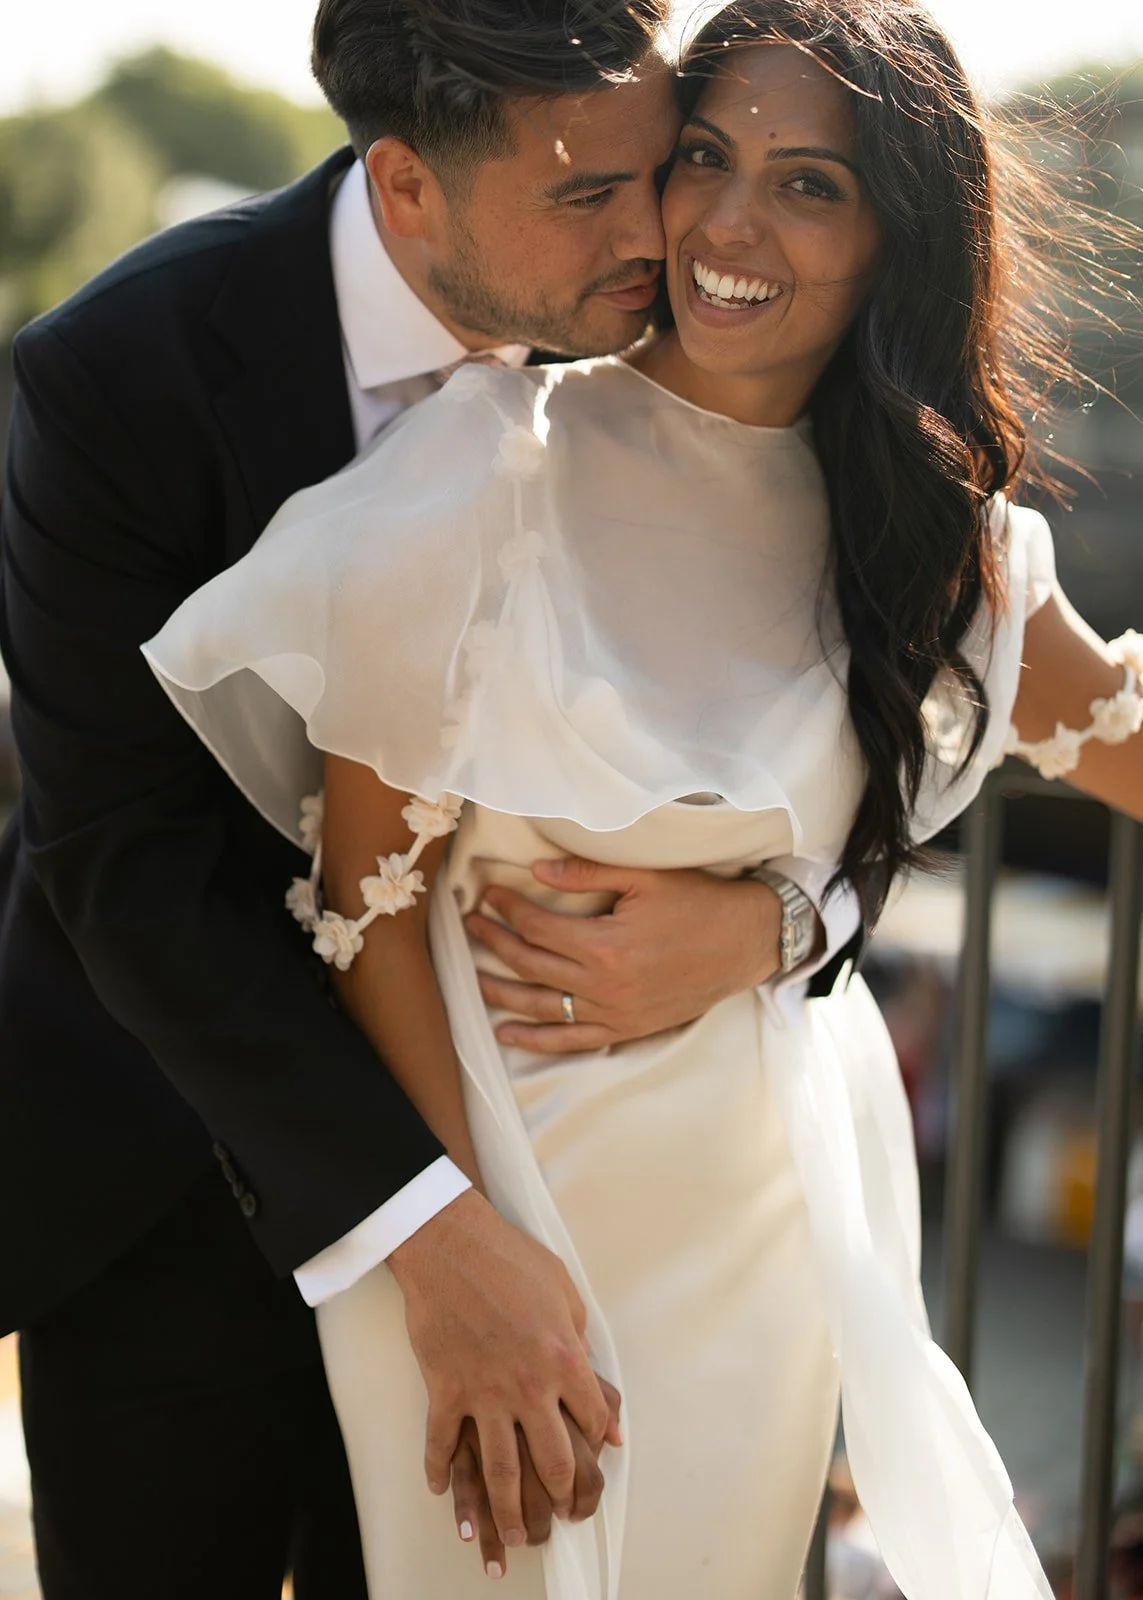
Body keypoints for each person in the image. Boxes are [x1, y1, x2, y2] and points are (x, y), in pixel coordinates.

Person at [140, 0, 1143, 1594]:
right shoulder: (483, 474)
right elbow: (365, 918)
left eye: (808, 183)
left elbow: (1123, 745)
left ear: (899, 227)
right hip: (491, 1237)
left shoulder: (932, 545)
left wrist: (778, 923)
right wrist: (464, 1263)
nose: (729, 224)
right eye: (703, 159)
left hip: (756, 1244)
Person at [0, 0, 868, 1593]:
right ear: (405, 187)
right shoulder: (114, 375)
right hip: (167, 1177)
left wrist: (782, 924)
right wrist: (431, 1232)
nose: (657, 231)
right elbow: (123, 867)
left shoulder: (699, 345)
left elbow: (855, 732)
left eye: (656, 166)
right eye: (583, 194)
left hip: (574, 1223)